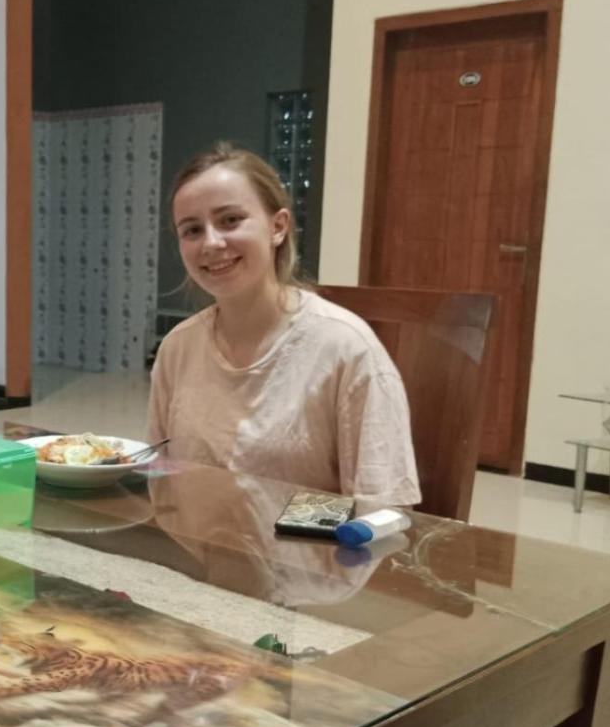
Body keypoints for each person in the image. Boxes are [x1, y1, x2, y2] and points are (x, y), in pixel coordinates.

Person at [147, 142, 419, 510]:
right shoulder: (178, 348)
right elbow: (161, 480)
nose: (211, 242)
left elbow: (383, 511)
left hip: (303, 549)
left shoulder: (346, 348)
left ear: (278, 227)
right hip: (193, 545)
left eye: (230, 220)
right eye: (192, 230)